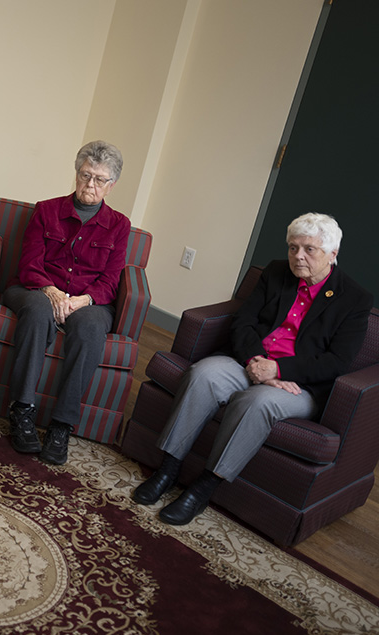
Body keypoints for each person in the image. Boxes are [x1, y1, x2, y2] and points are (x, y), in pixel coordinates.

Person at [132, 213, 372, 525]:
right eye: (292, 247)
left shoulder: (354, 299)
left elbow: (336, 361)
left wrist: (278, 371)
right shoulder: (275, 272)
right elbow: (243, 321)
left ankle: (204, 487)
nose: (297, 256)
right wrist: (255, 362)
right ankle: (168, 468)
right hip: (249, 361)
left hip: (297, 384)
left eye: (308, 250)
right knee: (203, 375)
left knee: (256, 402)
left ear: (333, 254)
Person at [3, 141, 130, 465]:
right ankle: (22, 410)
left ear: (111, 185)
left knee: (90, 328)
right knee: (37, 310)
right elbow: (29, 264)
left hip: (89, 300)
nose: (90, 184)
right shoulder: (46, 210)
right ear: (76, 173)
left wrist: (82, 300)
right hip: (36, 289)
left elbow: (111, 280)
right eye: (86, 175)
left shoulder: (119, 226)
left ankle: (61, 424)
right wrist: (52, 292)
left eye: (100, 179)